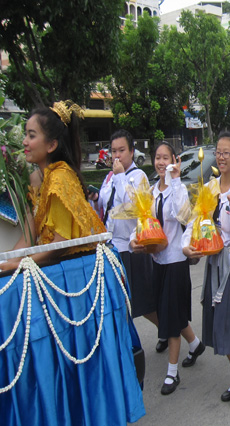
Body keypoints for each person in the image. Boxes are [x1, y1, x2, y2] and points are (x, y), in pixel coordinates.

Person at [182, 132, 230, 407]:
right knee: (218, 323)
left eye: (227, 153)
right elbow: (195, 222)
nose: (222, 157)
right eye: (218, 152)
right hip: (213, 263)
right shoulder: (209, 189)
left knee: (227, 322)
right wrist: (187, 246)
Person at [131, 142, 204, 395]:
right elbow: (144, 221)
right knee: (168, 310)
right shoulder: (151, 192)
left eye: (166, 158)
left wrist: (174, 180)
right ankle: (194, 344)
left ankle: (172, 373)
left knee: (171, 317)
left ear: (175, 160)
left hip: (175, 261)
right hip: (157, 262)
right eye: (158, 158)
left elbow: (180, 215)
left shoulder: (179, 188)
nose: (161, 162)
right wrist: (133, 239)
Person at [0, 101, 106, 271]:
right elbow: (29, 236)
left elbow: (61, 242)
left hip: (70, 273)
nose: (25, 142)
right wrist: (6, 263)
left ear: (51, 145)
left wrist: (21, 264)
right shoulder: (39, 179)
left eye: (32, 136)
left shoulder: (60, 178)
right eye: (26, 134)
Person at [96, 129, 160, 349]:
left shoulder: (137, 176)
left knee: (143, 302)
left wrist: (121, 176)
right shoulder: (109, 177)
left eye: (122, 150)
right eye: (113, 151)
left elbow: (132, 208)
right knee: (123, 303)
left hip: (132, 247)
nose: (117, 156)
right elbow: (107, 206)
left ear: (132, 152)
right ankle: (129, 345)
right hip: (112, 246)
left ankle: (173, 332)